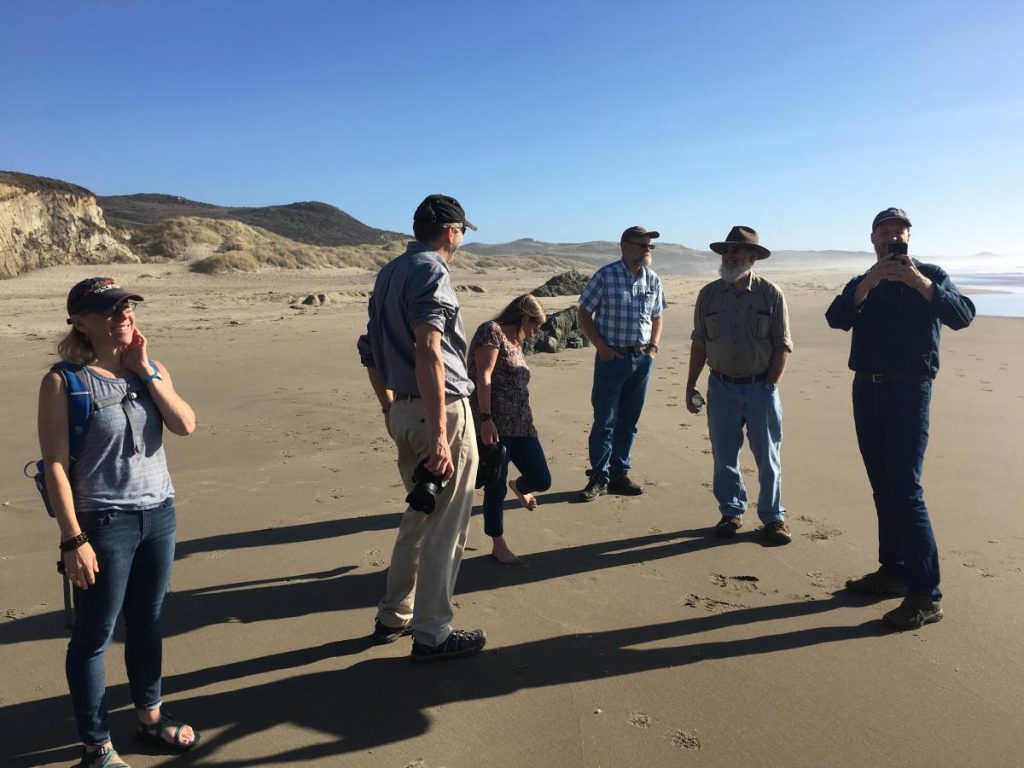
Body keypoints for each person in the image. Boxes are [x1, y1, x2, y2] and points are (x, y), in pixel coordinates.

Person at [38, 277, 199, 768]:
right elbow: (57, 465)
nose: (123, 314)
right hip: (104, 524)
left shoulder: (148, 369)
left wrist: (146, 372)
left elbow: (185, 424)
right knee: (94, 636)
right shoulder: (64, 381)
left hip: (159, 515)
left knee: (148, 624)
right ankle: (96, 747)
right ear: (80, 322)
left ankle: (149, 720)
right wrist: (73, 538)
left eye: (126, 306)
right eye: (109, 310)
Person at [826, 207, 975, 630]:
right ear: (873, 239)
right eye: (885, 231)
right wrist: (868, 284)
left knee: (906, 488)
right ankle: (893, 570)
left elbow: (962, 316)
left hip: (910, 390)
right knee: (883, 486)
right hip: (866, 388)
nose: (893, 237)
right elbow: (836, 319)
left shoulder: (931, 275)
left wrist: (921, 284)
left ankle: (927, 594)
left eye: (900, 231)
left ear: (909, 238)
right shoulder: (864, 282)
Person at [357, 194, 486, 662]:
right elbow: (430, 347)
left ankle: (394, 614)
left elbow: (369, 349)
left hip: (405, 410)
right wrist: (437, 433)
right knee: (446, 526)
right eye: (463, 231)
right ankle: (433, 632)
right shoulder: (432, 271)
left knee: (418, 513)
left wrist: (389, 408)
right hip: (441, 410)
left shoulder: (389, 272)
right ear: (452, 231)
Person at [685, 226, 794, 545]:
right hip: (721, 388)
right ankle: (731, 512)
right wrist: (691, 386)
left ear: (753, 257)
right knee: (724, 457)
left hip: (760, 388)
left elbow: (782, 346)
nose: (729, 255)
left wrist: (770, 385)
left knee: (768, 457)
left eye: (736, 250)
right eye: (725, 250)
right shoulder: (708, 295)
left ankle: (774, 518)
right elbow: (699, 344)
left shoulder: (770, 294)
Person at [577, 225, 667, 501]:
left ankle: (619, 473)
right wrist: (601, 347)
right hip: (611, 358)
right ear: (625, 245)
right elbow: (583, 313)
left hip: (641, 358)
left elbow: (657, 316)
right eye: (642, 244)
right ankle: (599, 476)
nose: (647, 250)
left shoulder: (652, 279)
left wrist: (653, 348)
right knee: (605, 419)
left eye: (650, 246)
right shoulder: (606, 275)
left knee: (629, 420)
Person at [468, 294, 553, 565]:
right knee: (495, 487)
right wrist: (485, 418)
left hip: (523, 424)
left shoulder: (517, 343)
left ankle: (520, 485)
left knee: (541, 479)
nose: (536, 331)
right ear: (524, 317)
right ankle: (498, 543)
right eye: (535, 325)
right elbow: (484, 376)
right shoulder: (491, 332)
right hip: (496, 425)